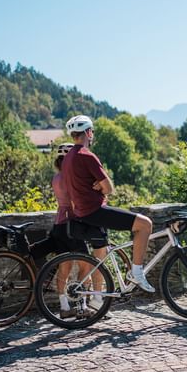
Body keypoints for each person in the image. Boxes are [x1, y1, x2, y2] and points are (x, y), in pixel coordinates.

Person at [62, 115, 156, 294]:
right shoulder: (86, 156)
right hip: (96, 211)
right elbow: (109, 188)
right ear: (88, 132)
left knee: (100, 257)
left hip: (82, 213)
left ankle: (98, 301)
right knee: (145, 225)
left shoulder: (68, 159)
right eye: (92, 132)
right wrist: (100, 187)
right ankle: (136, 272)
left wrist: (97, 186)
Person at [49, 143, 93, 317]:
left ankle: (65, 307)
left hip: (59, 224)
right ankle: (82, 306)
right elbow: (77, 202)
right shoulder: (70, 178)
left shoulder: (56, 177)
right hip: (73, 225)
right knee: (86, 266)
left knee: (64, 269)